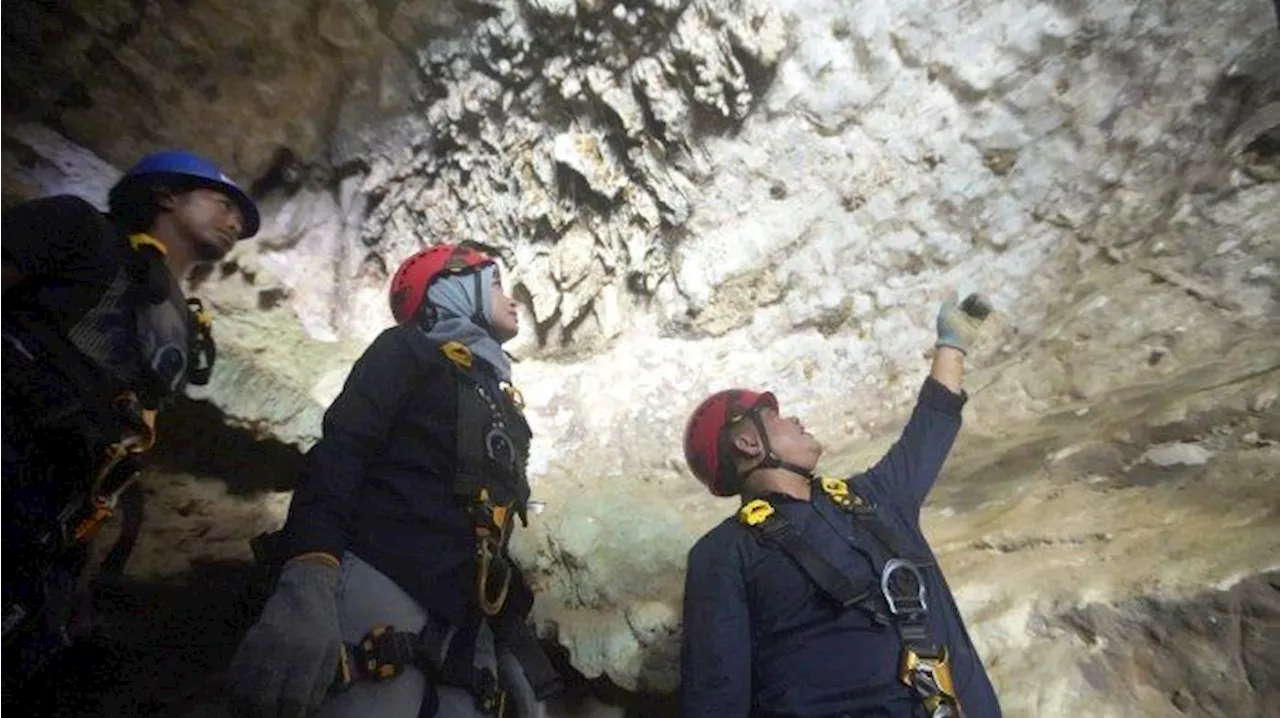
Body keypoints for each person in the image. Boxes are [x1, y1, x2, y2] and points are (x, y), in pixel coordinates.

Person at [228, 243, 561, 718]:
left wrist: (509, 640)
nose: (512, 300)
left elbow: (492, 530)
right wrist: (308, 576)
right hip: (385, 577)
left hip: (465, 617)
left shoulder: (501, 403)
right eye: (495, 284)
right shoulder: (406, 350)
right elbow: (342, 452)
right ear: (450, 287)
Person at [0, 149, 259, 696]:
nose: (236, 222)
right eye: (222, 202)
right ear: (166, 194)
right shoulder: (80, 230)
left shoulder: (179, 324)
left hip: (51, 520)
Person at [679, 294, 1004, 718]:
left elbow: (932, 424)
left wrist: (952, 346)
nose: (793, 420)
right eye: (774, 417)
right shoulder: (725, 554)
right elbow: (717, 698)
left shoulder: (874, 496)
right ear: (747, 442)